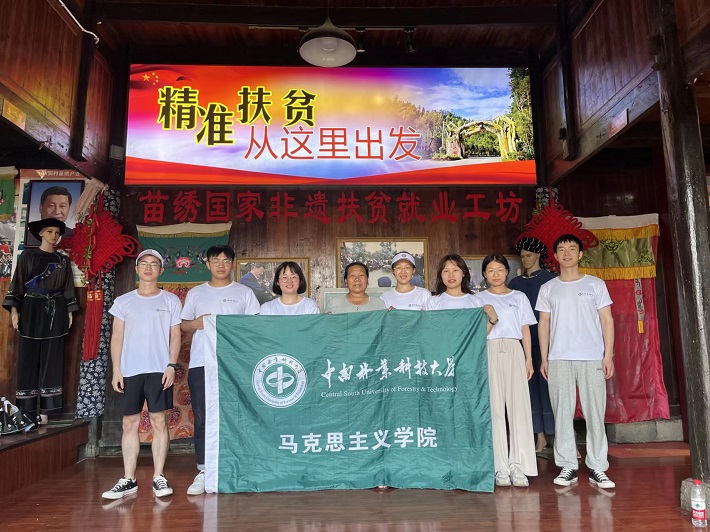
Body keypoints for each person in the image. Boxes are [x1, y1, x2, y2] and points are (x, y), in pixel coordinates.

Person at [536, 234, 616, 490]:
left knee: (595, 413)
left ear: (580, 254)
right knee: (562, 414)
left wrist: (608, 355)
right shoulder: (548, 288)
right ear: (555, 256)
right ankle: (567, 465)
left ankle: (598, 467)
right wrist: (545, 357)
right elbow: (544, 324)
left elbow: (607, 320)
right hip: (559, 357)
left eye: (572, 249)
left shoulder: (595, 284)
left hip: (592, 356)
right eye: (562, 249)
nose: (567, 253)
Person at [102, 249, 182, 500]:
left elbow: (176, 335)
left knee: (159, 421)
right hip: (130, 370)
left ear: (161, 270)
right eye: (144, 264)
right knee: (129, 423)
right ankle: (128, 479)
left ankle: (159, 476)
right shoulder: (123, 301)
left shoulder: (171, 300)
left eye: (154, 264)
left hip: (159, 370)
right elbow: (117, 337)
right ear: (137, 269)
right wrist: (117, 369)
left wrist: (171, 365)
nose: (148, 268)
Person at [180, 245, 260, 495]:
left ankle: (239, 465)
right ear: (208, 264)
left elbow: (255, 326)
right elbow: (183, 325)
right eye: (216, 260)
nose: (221, 265)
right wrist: (197, 323)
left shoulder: (244, 293)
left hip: (236, 364)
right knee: (203, 417)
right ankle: (205, 470)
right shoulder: (196, 293)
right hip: (202, 363)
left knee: (239, 414)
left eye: (226, 260)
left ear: (233, 264)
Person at [2, 218, 78, 425]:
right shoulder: (28, 256)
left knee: (52, 361)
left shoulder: (63, 261)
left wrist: (70, 311)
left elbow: (68, 287)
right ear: (41, 233)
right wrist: (15, 311)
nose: (54, 236)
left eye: (57, 232)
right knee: (27, 359)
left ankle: (46, 412)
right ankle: (27, 411)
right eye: (50, 231)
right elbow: (18, 283)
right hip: (31, 309)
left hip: (56, 311)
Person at [473, 254, 538, 488]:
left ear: (507, 272)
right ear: (484, 274)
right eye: (490, 270)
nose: (496, 274)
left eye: (500, 269)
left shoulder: (518, 297)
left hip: (514, 349)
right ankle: (499, 466)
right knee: (495, 410)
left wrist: (529, 359)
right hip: (488, 351)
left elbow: (525, 330)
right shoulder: (477, 299)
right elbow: (476, 334)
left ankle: (519, 465)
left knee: (518, 408)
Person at [509, 238, 558, 453]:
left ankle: (559, 436)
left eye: (529, 255)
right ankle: (539, 436)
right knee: (529, 390)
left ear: (538, 255)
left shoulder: (551, 280)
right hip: (524, 344)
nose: (525, 259)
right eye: (522, 256)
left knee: (551, 389)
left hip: (549, 342)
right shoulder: (515, 283)